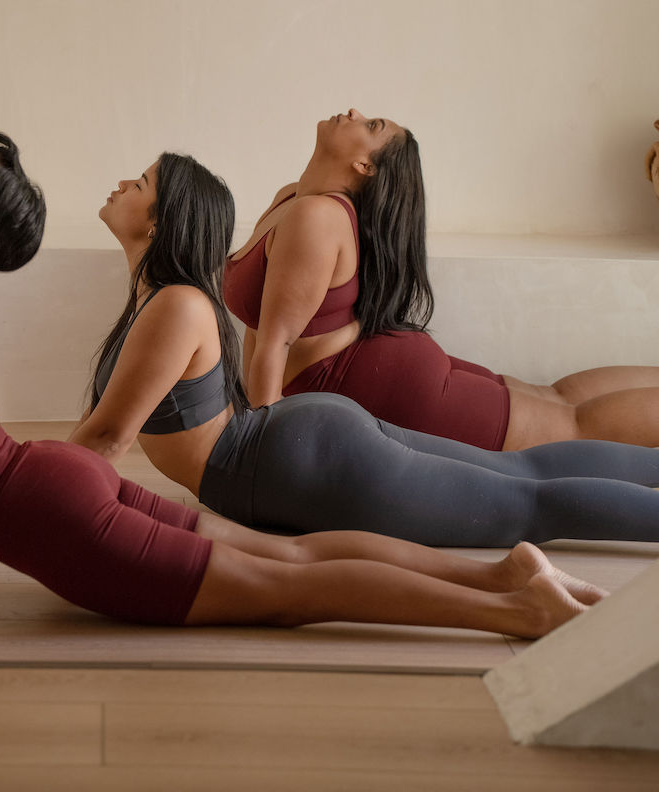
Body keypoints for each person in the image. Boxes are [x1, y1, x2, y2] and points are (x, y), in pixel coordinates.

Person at [0, 131, 603, 644]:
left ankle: (515, 608)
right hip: (48, 485)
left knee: (289, 588)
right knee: (291, 560)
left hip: (51, 501)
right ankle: (500, 576)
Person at [73, 151, 659, 548]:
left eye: (140, 184)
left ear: (158, 225)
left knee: (526, 505)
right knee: (525, 479)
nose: (123, 184)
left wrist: (6, 495)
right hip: (297, 445)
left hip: (295, 455)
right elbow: (100, 432)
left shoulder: (176, 305)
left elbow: (105, 440)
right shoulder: (158, 303)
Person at [226, 109, 659, 450]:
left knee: (571, 426)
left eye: (370, 124)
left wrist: (258, 445)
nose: (354, 111)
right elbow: (264, 323)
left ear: (365, 164)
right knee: (557, 398)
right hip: (383, 368)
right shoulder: (292, 198)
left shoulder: (315, 216)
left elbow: (276, 342)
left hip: (385, 381)